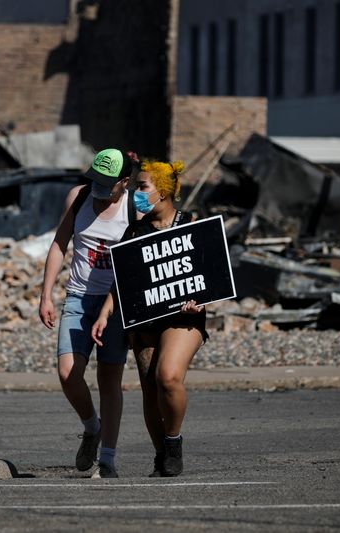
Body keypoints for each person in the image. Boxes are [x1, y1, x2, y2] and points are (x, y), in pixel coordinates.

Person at [91, 159, 207, 477]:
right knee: (150, 388)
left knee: (167, 377)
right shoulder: (134, 231)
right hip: (146, 318)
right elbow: (123, 279)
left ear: (164, 190)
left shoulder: (191, 224)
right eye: (135, 187)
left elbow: (210, 277)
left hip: (185, 317)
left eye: (143, 187)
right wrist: (105, 313)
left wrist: (200, 301)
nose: (137, 194)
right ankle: (160, 455)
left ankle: (174, 441)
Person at [39, 148, 135, 478]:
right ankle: (91, 426)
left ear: (124, 182)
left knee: (109, 378)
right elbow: (58, 244)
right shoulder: (77, 198)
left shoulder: (133, 208)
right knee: (68, 373)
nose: (98, 188)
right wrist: (46, 295)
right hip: (78, 298)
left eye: (107, 183)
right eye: (95, 179)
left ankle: (107, 459)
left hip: (116, 303)